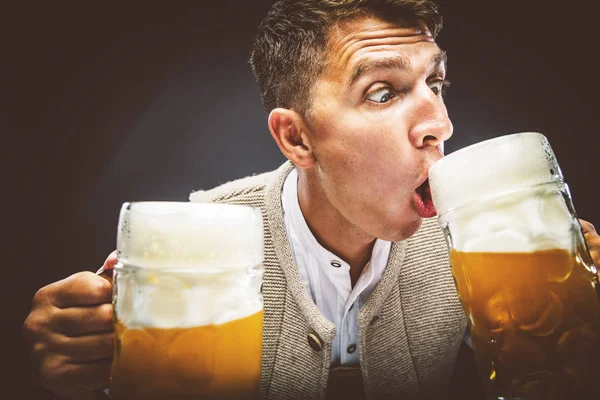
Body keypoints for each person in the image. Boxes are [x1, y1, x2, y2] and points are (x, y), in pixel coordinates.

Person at [23, 1, 600, 399]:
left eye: (436, 84)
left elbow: (540, 361)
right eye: (382, 92)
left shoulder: (475, 239)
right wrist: (87, 369)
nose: (440, 124)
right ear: (296, 137)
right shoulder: (201, 247)